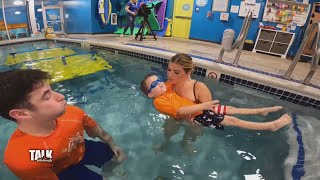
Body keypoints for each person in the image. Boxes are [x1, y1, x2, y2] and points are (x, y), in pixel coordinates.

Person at [0, 69, 126, 180]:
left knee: (117, 155)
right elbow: (42, 157)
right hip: (61, 170)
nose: (61, 96)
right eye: (47, 96)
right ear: (22, 114)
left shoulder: (71, 114)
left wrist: (111, 143)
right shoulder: (26, 157)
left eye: (51, 90)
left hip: (78, 146)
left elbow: (96, 130)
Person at [140, 74, 291, 131]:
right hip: (197, 115)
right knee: (233, 120)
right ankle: (271, 126)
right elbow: (179, 111)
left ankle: (260, 111)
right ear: (150, 94)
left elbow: (175, 79)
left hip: (200, 109)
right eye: (154, 85)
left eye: (158, 80)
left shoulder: (165, 87)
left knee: (231, 109)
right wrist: (203, 106)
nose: (159, 83)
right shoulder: (159, 101)